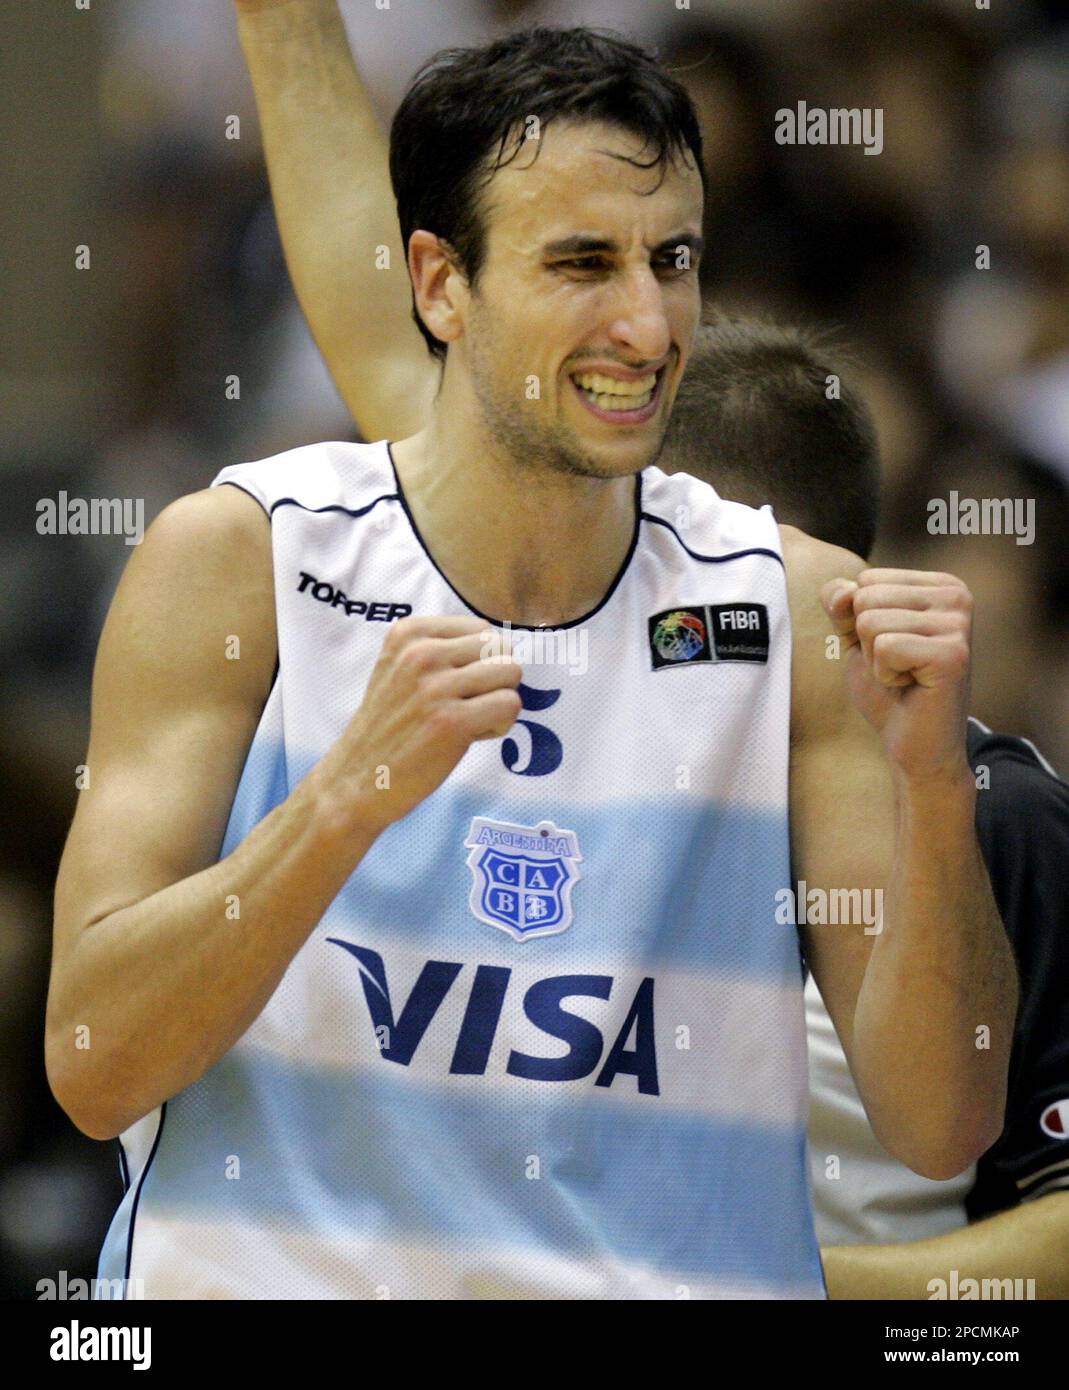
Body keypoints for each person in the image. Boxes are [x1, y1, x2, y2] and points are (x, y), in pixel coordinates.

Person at [46, 24, 1015, 1300]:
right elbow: (91, 1055)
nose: (647, 321)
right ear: (439, 284)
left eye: (671, 261)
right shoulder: (239, 559)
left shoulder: (789, 606)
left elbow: (938, 1124)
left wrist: (940, 789)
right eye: (582, 263)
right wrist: (336, 808)